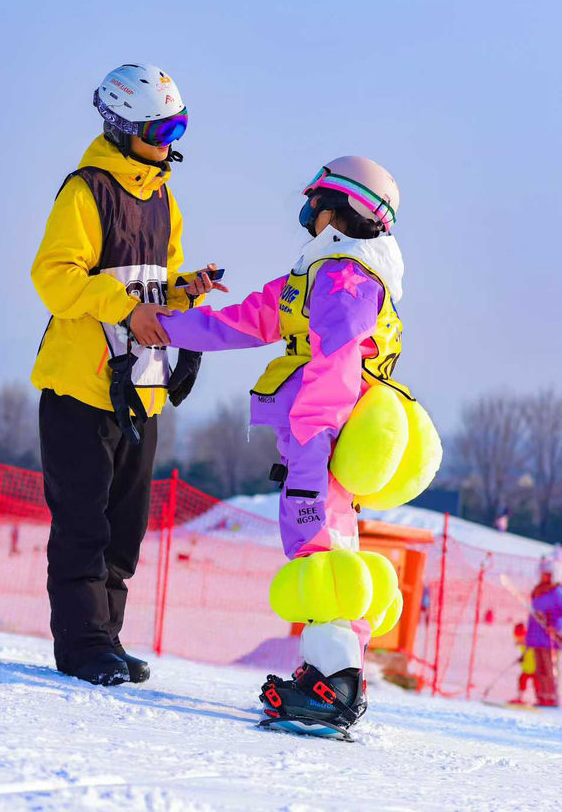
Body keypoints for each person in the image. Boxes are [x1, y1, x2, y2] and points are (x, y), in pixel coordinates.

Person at [156, 156, 441, 739]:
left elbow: (334, 368)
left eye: (314, 202)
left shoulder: (344, 276)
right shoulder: (327, 272)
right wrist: (166, 324)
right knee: (329, 550)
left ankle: (330, 687)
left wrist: (310, 457)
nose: (306, 213)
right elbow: (242, 321)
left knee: (320, 553)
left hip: (326, 442)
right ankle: (329, 673)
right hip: (330, 441)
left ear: (340, 211)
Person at [31, 63, 226, 686]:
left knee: (125, 529)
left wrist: (184, 289)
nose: (171, 140)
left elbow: (153, 282)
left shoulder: (164, 196)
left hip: (140, 388)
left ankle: (108, 640)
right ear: (122, 126)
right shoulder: (86, 190)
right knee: (83, 522)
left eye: (180, 125)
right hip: (81, 387)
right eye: (161, 128)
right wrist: (128, 307)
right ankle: (85, 647)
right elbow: (55, 277)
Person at [525, 553, 562, 706]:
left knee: (548, 668)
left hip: (549, 638)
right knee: (539, 669)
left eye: (547, 574)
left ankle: (551, 697)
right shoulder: (537, 591)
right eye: (542, 574)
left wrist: (556, 627)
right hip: (536, 635)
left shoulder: (557, 592)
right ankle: (541, 696)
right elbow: (535, 613)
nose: (544, 577)